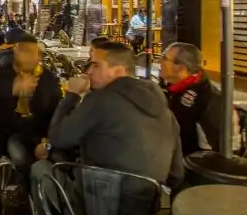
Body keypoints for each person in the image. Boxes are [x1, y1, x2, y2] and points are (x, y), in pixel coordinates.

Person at [33, 41, 184, 213]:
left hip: (96, 202)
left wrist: (72, 95)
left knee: (40, 170)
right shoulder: (165, 111)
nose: (88, 71)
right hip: (145, 206)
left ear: (118, 70)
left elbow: (57, 137)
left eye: (96, 65)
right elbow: (176, 175)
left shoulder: (100, 100)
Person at [0, 29, 63, 178]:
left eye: (34, 52)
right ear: (16, 52)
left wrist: (46, 143)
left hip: (42, 135)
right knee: (24, 160)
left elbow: (56, 110)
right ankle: (25, 194)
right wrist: (12, 88)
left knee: (60, 161)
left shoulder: (48, 78)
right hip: (11, 134)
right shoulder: (3, 72)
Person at [159, 42, 237, 156]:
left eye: (164, 58)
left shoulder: (209, 101)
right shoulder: (175, 87)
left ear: (181, 68)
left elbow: (215, 153)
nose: (159, 62)